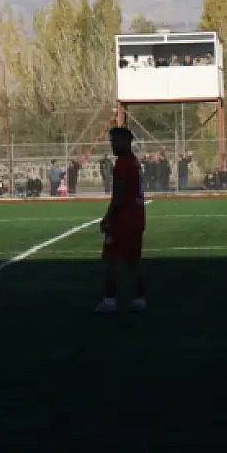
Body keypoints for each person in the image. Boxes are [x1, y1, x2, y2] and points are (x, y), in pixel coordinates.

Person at [94, 126, 148, 314]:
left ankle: (110, 300)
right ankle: (140, 299)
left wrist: (108, 216)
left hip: (123, 219)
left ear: (125, 142)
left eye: (114, 141)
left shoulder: (123, 163)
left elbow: (120, 192)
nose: (112, 145)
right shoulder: (134, 162)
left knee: (111, 260)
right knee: (133, 261)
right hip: (137, 218)